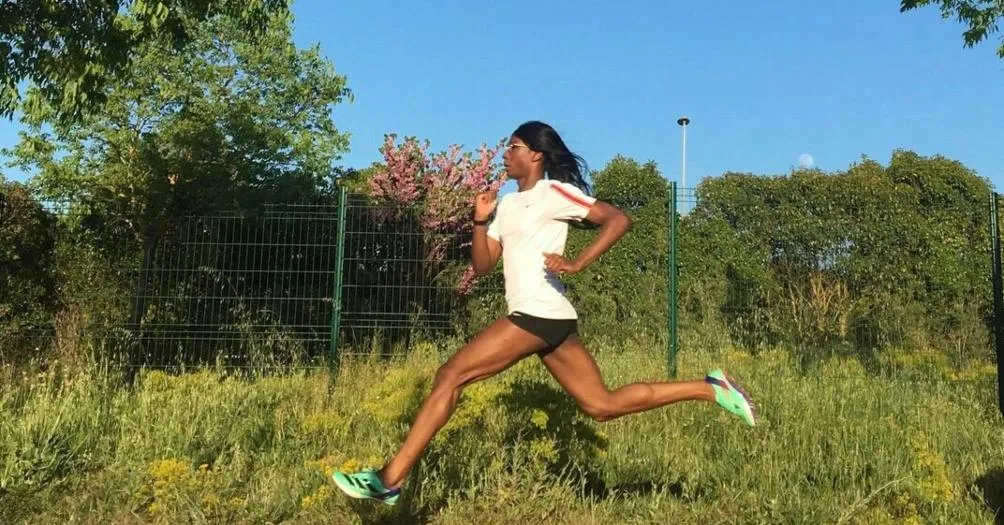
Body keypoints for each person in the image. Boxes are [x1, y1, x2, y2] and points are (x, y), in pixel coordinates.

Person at [331, 121, 755, 506]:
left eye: (512, 147)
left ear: (535, 153)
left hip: (537, 313)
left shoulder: (553, 193)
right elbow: (482, 266)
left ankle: (390, 478)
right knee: (600, 405)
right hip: (548, 318)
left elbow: (617, 220)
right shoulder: (507, 206)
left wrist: (578, 263)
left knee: (451, 374)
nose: (504, 154)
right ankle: (710, 388)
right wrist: (479, 221)